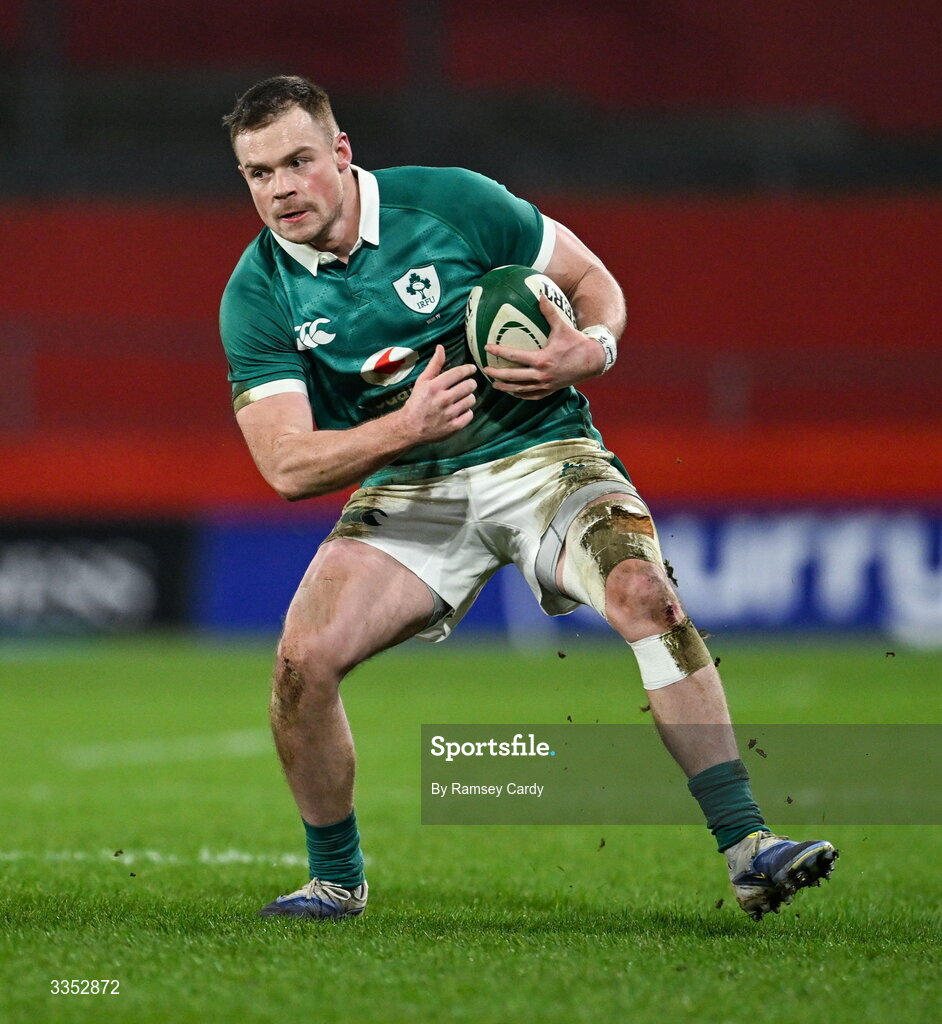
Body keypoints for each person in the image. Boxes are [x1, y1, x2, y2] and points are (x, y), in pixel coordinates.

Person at [219, 75, 837, 922]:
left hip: (543, 454)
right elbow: (287, 466)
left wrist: (595, 351)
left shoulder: (452, 202)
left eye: (296, 161)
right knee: (301, 662)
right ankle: (335, 880)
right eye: (258, 173)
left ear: (341, 152)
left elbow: (595, 284)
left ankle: (750, 848)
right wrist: (406, 429)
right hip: (415, 484)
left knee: (645, 595)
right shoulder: (257, 292)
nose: (281, 188)